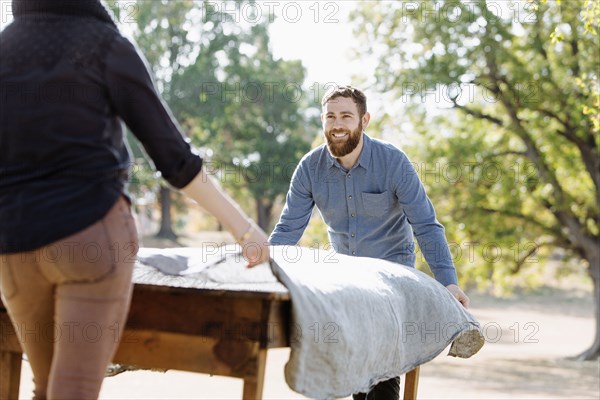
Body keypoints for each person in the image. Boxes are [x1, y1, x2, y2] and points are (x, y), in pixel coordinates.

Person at [0, 1, 268, 399]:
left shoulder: (5, 47)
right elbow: (175, 160)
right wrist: (244, 229)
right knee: (70, 391)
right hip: (90, 234)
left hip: (14, 248)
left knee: (46, 388)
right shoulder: (105, 45)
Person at [269, 85, 469, 399]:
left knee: (382, 381)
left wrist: (449, 282)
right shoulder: (310, 168)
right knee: (356, 382)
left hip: (394, 286)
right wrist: (261, 271)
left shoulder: (393, 162)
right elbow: (286, 233)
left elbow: (426, 226)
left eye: (346, 116)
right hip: (349, 286)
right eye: (330, 116)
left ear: (364, 121)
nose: (337, 124)